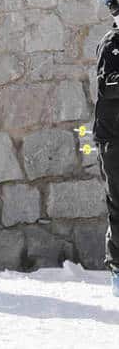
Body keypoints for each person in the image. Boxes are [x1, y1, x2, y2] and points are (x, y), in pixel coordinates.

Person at [94, 22, 119, 296]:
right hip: (113, 140)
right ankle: (118, 271)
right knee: (118, 204)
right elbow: (107, 85)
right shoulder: (112, 42)